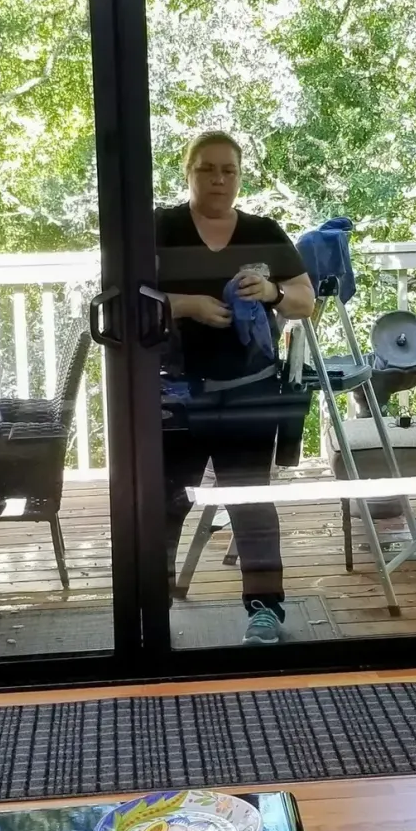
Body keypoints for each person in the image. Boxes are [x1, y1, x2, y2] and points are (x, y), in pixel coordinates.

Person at [156, 130, 315, 645]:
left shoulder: (262, 232)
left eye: (228, 170)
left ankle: (265, 612)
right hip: (177, 395)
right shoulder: (160, 228)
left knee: (251, 504)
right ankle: (151, 609)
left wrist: (271, 291)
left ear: (239, 176)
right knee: (166, 503)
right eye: (207, 168)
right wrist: (189, 306)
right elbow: (125, 297)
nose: (218, 179)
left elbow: (305, 299)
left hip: (249, 392)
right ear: (189, 173)